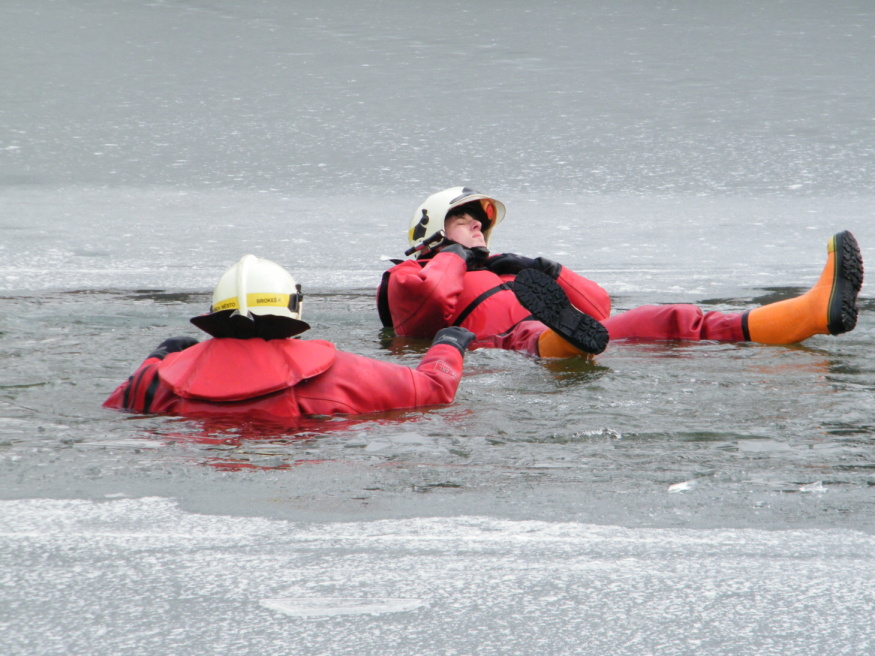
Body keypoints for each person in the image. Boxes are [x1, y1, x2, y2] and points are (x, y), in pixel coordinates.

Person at [377, 186, 864, 358]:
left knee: (670, 316)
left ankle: (813, 313)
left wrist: (541, 267)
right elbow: (429, 305)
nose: (477, 227)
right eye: (463, 221)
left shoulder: (507, 268)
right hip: (502, 345)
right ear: (432, 232)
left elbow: (599, 307)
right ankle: (563, 338)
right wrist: (454, 257)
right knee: (533, 332)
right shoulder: (409, 275)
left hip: (578, 329)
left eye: (479, 221)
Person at [105, 254, 475, 423]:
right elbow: (434, 391)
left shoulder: (157, 381)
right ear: (293, 307)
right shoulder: (341, 373)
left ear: (216, 311)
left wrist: (158, 357)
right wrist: (448, 344)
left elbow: (120, 403)